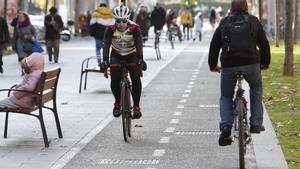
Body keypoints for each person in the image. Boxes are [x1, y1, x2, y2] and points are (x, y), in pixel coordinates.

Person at [208, 0, 271, 146]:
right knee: (256, 88)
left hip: (229, 65)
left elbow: (214, 45)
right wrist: (265, 62)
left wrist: (213, 65)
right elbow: (264, 43)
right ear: (246, 7)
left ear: (231, 8)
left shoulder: (224, 22)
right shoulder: (254, 21)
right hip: (251, 64)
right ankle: (255, 123)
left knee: (225, 95)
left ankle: (226, 126)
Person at [102, 4, 147, 119]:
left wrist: (140, 59)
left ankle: (136, 106)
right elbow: (106, 44)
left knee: (135, 78)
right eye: (118, 21)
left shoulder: (134, 28)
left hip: (132, 54)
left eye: (124, 21)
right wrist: (105, 60)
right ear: (115, 20)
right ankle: (117, 102)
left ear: (128, 19)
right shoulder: (110, 28)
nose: (121, 24)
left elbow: (139, 44)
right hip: (116, 54)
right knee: (115, 79)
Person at [89, 0, 113, 66]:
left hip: (98, 34)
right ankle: (106, 61)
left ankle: (99, 63)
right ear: (106, 6)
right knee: (107, 47)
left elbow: (92, 24)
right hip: (108, 33)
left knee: (98, 48)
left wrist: (91, 33)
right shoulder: (110, 13)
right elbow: (113, 23)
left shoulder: (96, 13)